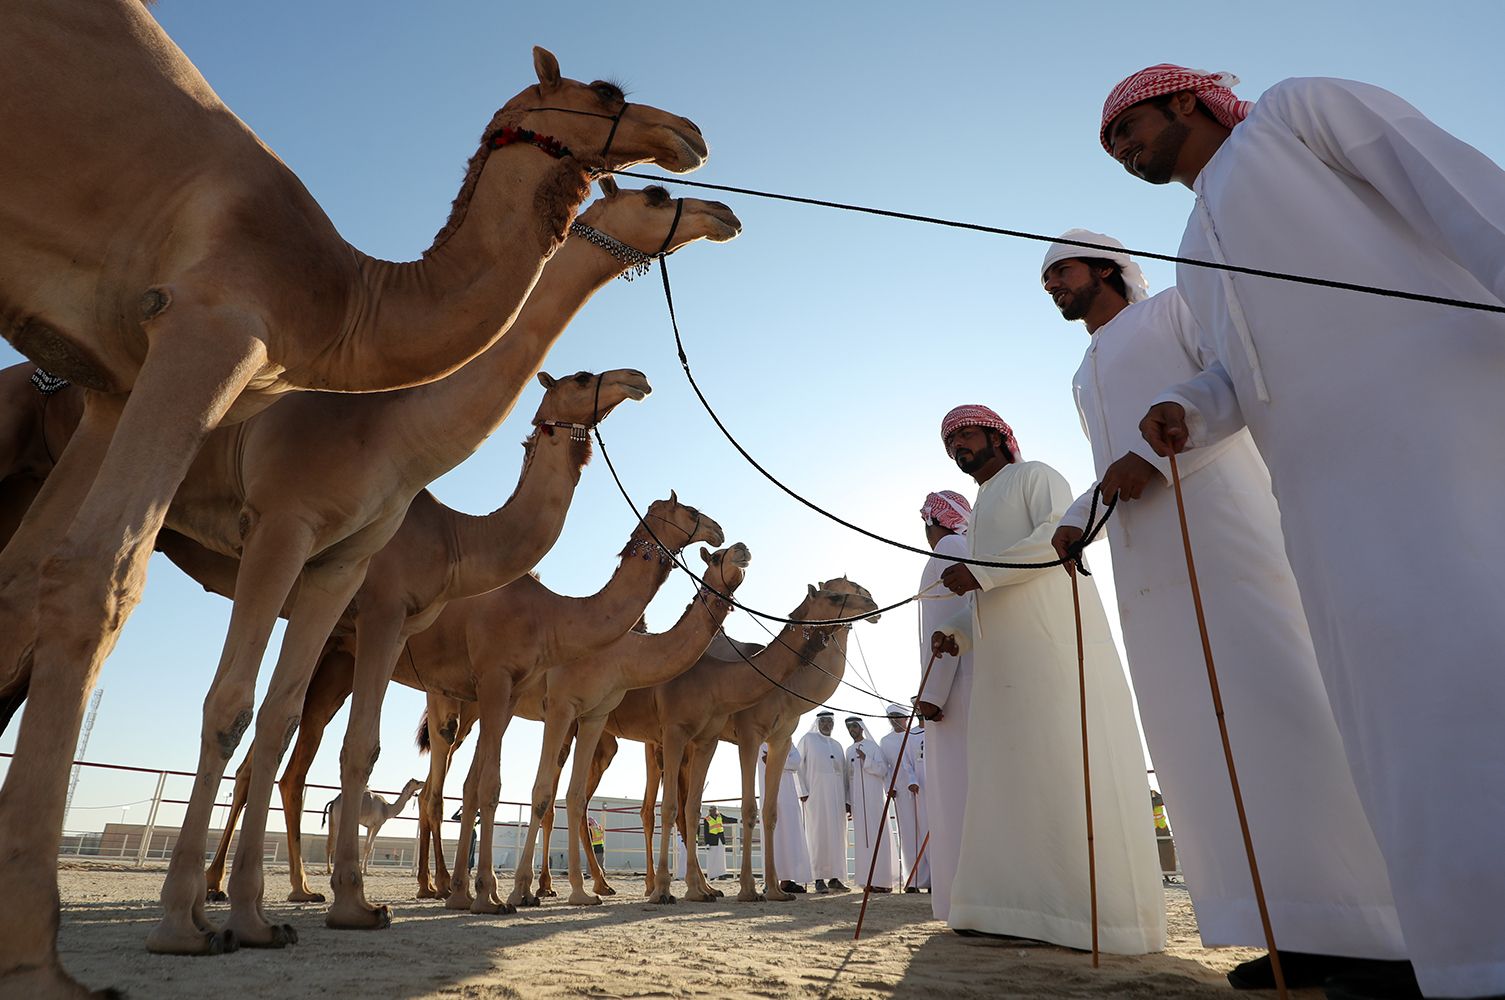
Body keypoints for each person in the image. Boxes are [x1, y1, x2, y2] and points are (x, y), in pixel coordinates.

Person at [1101, 64, 1505, 1000]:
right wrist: (1182, 409)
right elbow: (1238, 379)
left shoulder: (1297, 115)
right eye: (1112, 149)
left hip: (1446, 435)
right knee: (1399, 718)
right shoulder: (1195, 246)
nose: (1122, 152)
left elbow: (1448, 185)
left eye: (1126, 129)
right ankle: (1467, 958)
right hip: (1325, 498)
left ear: (1182, 101)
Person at [1039, 231, 1404, 988]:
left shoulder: (1173, 310)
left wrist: (1168, 443)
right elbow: (1112, 462)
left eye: (1061, 271)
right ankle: (1298, 929)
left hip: (1230, 544)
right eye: (1046, 280)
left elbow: (1230, 379)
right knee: (1207, 747)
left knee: (1288, 716)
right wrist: (1078, 512)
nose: (1052, 287)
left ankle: (1382, 929)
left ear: (1107, 269)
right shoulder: (1083, 371)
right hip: (1148, 571)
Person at [930, 404, 1164, 953]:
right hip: (1002, 670)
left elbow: (1057, 540)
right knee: (1010, 779)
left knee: (1061, 766)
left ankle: (1090, 920)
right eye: (950, 443)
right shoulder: (984, 504)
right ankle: (1003, 909)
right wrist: (959, 630)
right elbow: (1001, 585)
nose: (958, 446)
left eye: (966, 434)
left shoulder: (1035, 476)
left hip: (1054, 650)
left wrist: (980, 573)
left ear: (998, 436)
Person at [914, 490, 974, 920]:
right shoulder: (964, 547)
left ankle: (964, 901)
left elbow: (948, 626)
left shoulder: (950, 549)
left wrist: (931, 694)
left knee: (957, 793)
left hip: (955, 693)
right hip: (962, 686)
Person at [844, 716, 899, 893]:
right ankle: (866, 880)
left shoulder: (873, 747)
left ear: (861, 728)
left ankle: (883, 881)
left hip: (874, 799)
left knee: (878, 837)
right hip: (858, 803)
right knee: (862, 841)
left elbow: (883, 770)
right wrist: (849, 803)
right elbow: (848, 777)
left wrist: (866, 759)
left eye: (854, 726)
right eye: (849, 727)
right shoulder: (849, 750)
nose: (852, 730)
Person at [797, 711, 850, 893]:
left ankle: (835, 878)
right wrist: (802, 790)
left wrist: (847, 800)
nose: (827, 725)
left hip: (837, 799)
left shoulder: (837, 745)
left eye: (830, 722)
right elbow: (797, 765)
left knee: (837, 837)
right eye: (824, 721)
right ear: (818, 722)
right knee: (817, 835)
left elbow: (844, 775)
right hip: (815, 797)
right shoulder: (808, 739)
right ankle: (818, 878)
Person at [880, 703, 928, 892]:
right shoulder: (885, 740)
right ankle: (913, 880)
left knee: (926, 830)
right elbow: (886, 768)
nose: (894, 721)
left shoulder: (915, 735)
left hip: (922, 787)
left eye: (897, 717)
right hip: (900, 790)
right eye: (891, 718)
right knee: (908, 835)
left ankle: (933, 879)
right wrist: (888, 787)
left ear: (906, 718)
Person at [758, 739, 813, 894]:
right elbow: (764, 761)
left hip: (789, 796)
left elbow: (796, 761)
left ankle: (787, 881)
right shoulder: (760, 743)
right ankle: (771, 880)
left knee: (790, 836)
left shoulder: (787, 740)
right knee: (773, 837)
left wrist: (775, 760)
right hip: (769, 796)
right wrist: (781, 760)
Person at [701, 805, 728, 880]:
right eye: (713, 810)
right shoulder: (707, 819)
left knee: (721, 859)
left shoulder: (720, 816)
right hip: (712, 841)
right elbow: (706, 832)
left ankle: (722, 875)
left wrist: (738, 820)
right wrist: (707, 843)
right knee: (712, 859)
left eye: (715, 810)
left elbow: (727, 819)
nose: (714, 811)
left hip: (720, 840)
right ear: (710, 811)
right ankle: (712, 875)